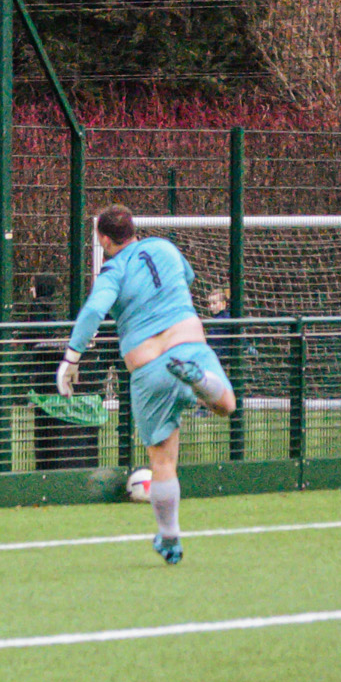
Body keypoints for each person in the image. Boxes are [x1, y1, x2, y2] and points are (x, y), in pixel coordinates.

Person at [58, 205, 237, 565]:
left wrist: (71, 358)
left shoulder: (113, 270)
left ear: (103, 239)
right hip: (188, 344)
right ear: (134, 229)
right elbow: (187, 278)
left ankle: (170, 538)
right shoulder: (165, 247)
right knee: (227, 406)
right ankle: (202, 382)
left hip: (149, 367)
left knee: (162, 459)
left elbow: (94, 311)